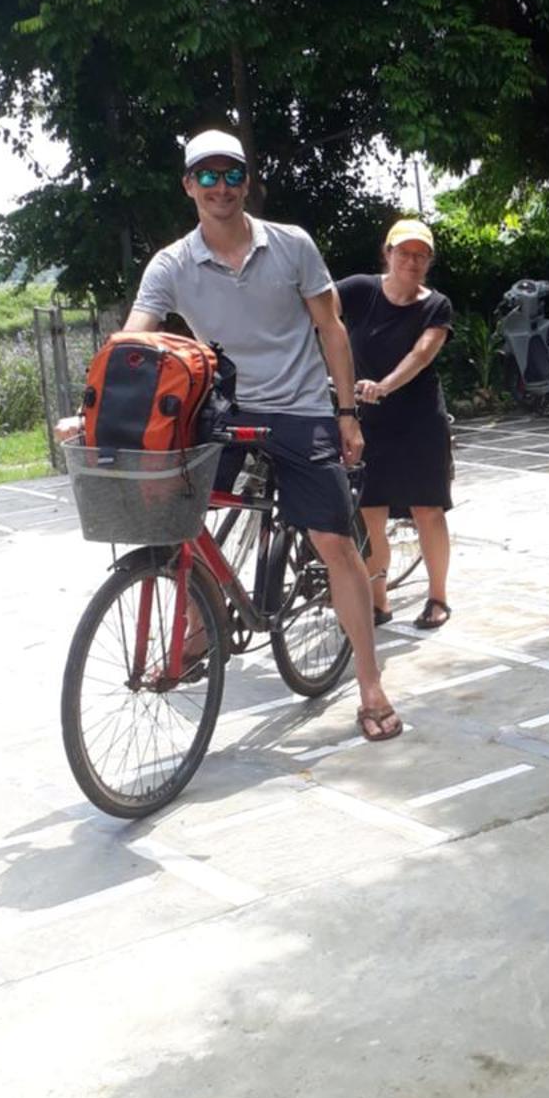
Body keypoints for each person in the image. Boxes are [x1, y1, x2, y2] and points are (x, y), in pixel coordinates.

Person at [126, 129, 403, 744]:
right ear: (189, 185)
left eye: (231, 175)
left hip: (301, 410)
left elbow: (330, 328)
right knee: (173, 511)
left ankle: (370, 683)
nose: (219, 187)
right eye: (207, 176)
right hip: (222, 410)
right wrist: (95, 402)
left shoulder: (291, 246)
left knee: (333, 540)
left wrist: (345, 413)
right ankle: (203, 621)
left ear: (246, 182)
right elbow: (136, 340)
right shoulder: (172, 263)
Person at [336, 220, 455, 632]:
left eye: (421, 255)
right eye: (404, 252)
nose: (412, 261)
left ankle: (438, 596)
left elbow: (422, 354)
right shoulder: (358, 290)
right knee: (370, 512)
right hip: (365, 420)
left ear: (429, 262)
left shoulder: (436, 305)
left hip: (419, 418)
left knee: (428, 508)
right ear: (387, 253)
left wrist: (383, 385)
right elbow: (318, 313)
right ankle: (377, 600)